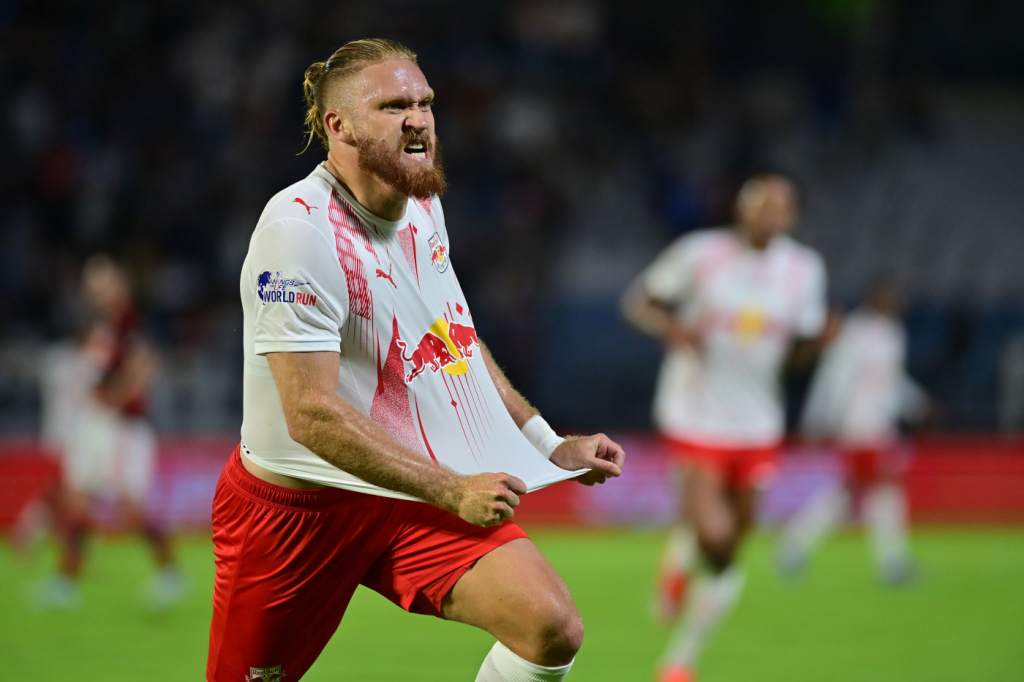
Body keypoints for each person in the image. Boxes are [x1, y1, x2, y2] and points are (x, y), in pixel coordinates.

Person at [207, 39, 626, 682]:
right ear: (338, 125)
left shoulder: (422, 207)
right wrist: (452, 488)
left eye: (425, 103)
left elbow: (454, 342)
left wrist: (547, 445)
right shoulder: (299, 233)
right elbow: (311, 414)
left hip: (401, 490)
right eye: (393, 105)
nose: (419, 119)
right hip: (296, 513)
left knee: (550, 627)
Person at [621, 172, 828, 682]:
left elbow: (796, 352)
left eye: (781, 208)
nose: (771, 216)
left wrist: (820, 344)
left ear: (792, 216)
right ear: (741, 208)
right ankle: (684, 561)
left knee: (731, 549)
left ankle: (681, 656)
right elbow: (638, 303)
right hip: (695, 417)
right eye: (762, 206)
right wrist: (670, 327)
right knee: (716, 536)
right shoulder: (701, 253)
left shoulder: (804, 269)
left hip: (759, 424)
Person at [31, 255, 184, 610]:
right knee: (75, 498)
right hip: (95, 421)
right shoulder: (102, 324)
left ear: (120, 284)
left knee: (130, 509)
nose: (97, 292)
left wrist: (116, 397)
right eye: (93, 286)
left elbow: (144, 364)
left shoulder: (130, 323)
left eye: (104, 284)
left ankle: (170, 571)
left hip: (121, 426)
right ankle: (65, 582)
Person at [778, 279, 929, 585]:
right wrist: (818, 421)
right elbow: (833, 379)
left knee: (850, 493)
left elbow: (891, 382)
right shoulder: (853, 333)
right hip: (859, 426)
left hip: (881, 426)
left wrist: (917, 404)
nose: (896, 304)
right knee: (882, 489)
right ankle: (892, 562)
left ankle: (793, 546)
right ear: (876, 299)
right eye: (890, 298)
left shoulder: (893, 334)